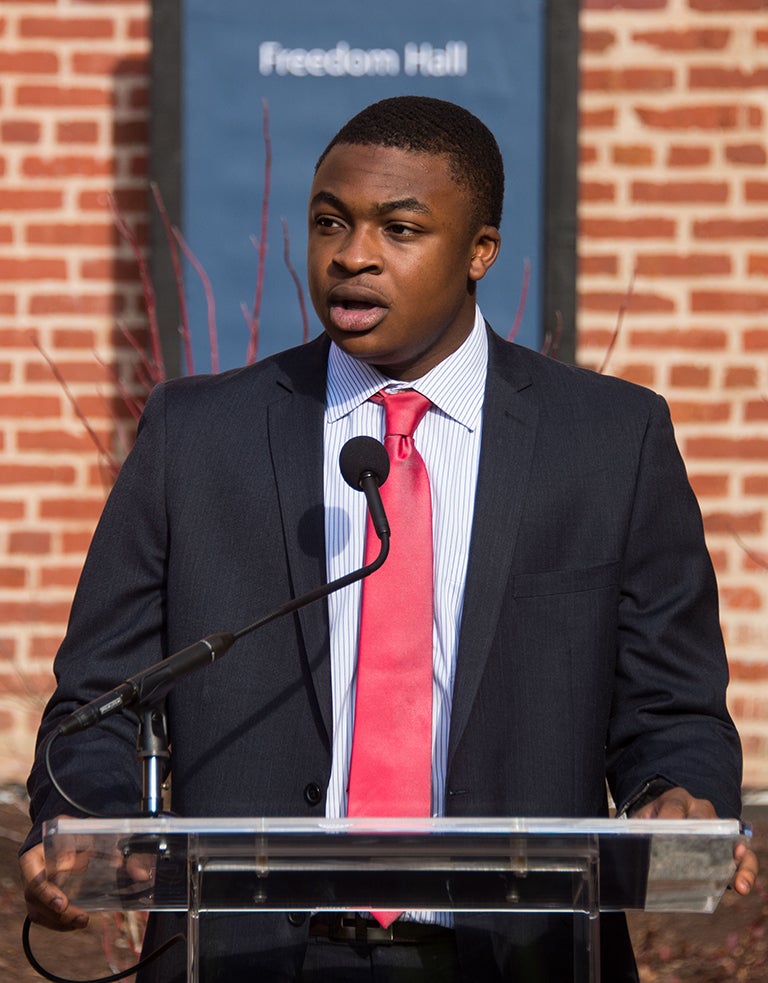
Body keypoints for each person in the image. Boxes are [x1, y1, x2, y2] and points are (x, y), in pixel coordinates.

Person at [20, 96, 757, 981]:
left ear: (480, 249)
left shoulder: (609, 441)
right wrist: (90, 830)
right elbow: (99, 703)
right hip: (246, 953)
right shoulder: (197, 437)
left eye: (399, 229)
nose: (351, 254)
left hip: (516, 952)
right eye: (329, 221)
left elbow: (672, 709)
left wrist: (674, 798)